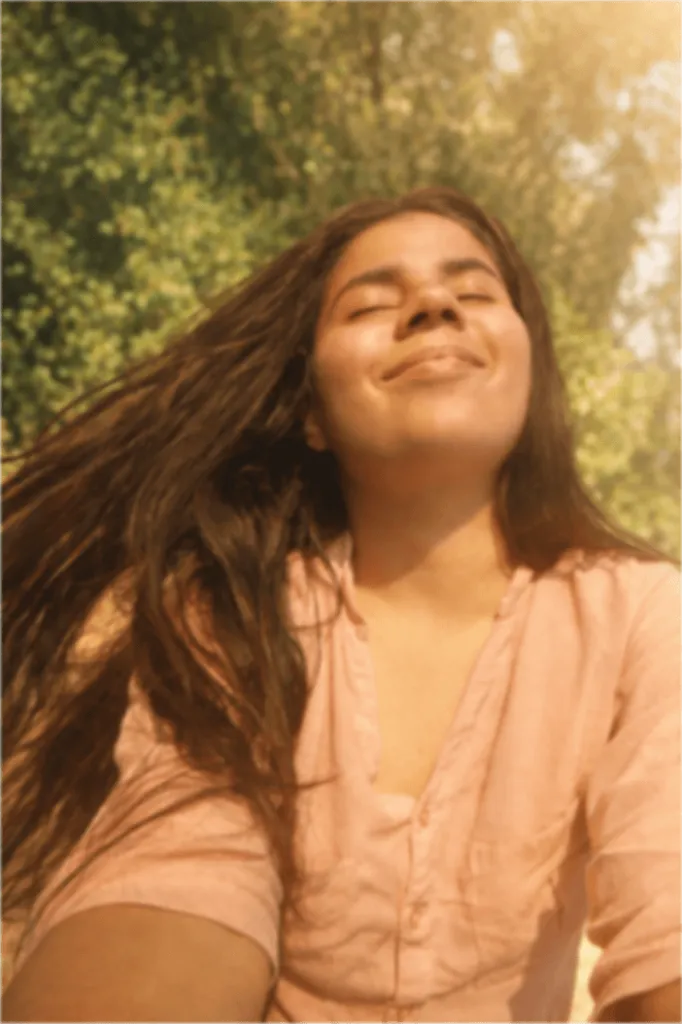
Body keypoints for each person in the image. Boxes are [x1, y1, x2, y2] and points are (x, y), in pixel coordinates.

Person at [1, 187, 680, 1024]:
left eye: (471, 293)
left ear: (529, 375)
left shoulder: (645, 617)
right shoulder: (230, 612)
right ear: (313, 414)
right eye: (370, 303)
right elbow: (176, 873)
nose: (433, 307)